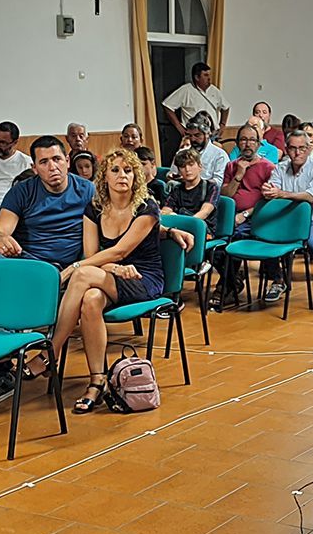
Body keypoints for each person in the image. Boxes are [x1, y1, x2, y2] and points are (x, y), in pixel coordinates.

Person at [27, 149, 193, 414]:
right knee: (91, 299)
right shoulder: (94, 209)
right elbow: (93, 256)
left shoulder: (147, 207)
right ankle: (97, 382)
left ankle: (51, 351)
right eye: (115, 170)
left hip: (144, 278)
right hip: (110, 273)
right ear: (104, 176)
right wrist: (111, 268)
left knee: (81, 274)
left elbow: (120, 251)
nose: (122, 175)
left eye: (128, 170)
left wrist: (73, 268)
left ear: (136, 176)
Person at [0, 135, 96, 405]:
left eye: (57, 159)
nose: (52, 167)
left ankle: (3, 366)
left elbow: (121, 223)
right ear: (34, 166)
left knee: (9, 288)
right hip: (25, 262)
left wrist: (166, 230)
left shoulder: (87, 191)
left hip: (61, 270)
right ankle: (1, 366)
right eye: (44, 162)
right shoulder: (23, 191)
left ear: (67, 161)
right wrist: (0, 239)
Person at [258, 130, 313, 301]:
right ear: (286, 149)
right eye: (292, 148)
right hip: (287, 219)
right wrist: (268, 191)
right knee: (265, 235)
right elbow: (273, 189)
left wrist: (281, 194)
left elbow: (310, 197)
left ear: (309, 148)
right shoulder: (280, 167)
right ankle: (278, 280)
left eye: (302, 148)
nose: (297, 153)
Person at [212, 124, 277, 308]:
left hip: (256, 218)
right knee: (211, 244)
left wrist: (245, 214)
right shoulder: (232, 166)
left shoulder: (268, 167)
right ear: (238, 143)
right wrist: (239, 175)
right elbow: (226, 195)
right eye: (243, 140)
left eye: (252, 140)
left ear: (258, 144)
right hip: (231, 217)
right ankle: (234, 280)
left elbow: (268, 200)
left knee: (235, 237)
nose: (248, 144)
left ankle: (225, 288)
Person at [160, 149, 219, 239]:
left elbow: (204, 212)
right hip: (180, 229)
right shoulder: (176, 189)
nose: (187, 169)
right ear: (179, 171)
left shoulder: (211, 187)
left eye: (191, 165)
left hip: (202, 230)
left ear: (200, 166)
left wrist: (183, 223)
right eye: (183, 166)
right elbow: (165, 211)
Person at [162, 62, 230, 130]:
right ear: (197, 77)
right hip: (193, 133)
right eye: (205, 75)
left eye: (209, 75)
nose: (209, 78)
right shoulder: (186, 90)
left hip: (212, 132)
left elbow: (226, 107)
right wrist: (179, 127)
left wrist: (223, 124)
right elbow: (167, 106)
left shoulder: (214, 90)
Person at [182, 112, 228, 186]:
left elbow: (219, 182)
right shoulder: (183, 153)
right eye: (190, 136)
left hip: (207, 190)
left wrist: (196, 184)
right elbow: (171, 174)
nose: (193, 139)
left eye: (197, 135)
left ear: (207, 134)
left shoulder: (220, 155)